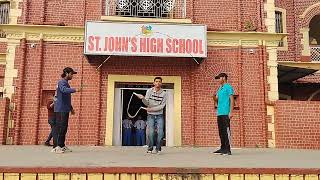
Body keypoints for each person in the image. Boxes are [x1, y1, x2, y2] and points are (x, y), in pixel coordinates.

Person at [51, 67, 82, 153]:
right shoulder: (61, 82)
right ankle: (56, 147)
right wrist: (76, 89)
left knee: (64, 128)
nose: (72, 76)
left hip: (65, 109)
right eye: (71, 74)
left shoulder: (66, 83)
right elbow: (64, 90)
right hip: (60, 109)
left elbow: (66, 98)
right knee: (60, 128)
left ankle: (61, 145)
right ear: (67, 73)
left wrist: (71, 108)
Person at [135, 77, 167, 154]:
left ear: (161, 83)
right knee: (151, 132)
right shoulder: (149, 91)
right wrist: (142, 98)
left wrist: (151, 109)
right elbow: (147, 103)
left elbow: (162, 106)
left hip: (159, 115)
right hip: (150, 115)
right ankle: (150, 148)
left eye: (159, 81)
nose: (158, 83)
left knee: (160, 133)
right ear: (154, 83)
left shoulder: (164, 93)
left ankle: (158, 149)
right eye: (156, 81)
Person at [213, 73, 234, 155]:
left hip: (226, 113)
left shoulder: (228, 87)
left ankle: (228, 150)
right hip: (219, 113)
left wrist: (231, 112)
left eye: (219, 78)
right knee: (221, 131)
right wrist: (214, 97)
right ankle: (222, 148)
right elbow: (216, 100)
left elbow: (232, 99)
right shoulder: (220, 88)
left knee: (226, 131)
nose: (218, 80)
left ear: (224, 78)